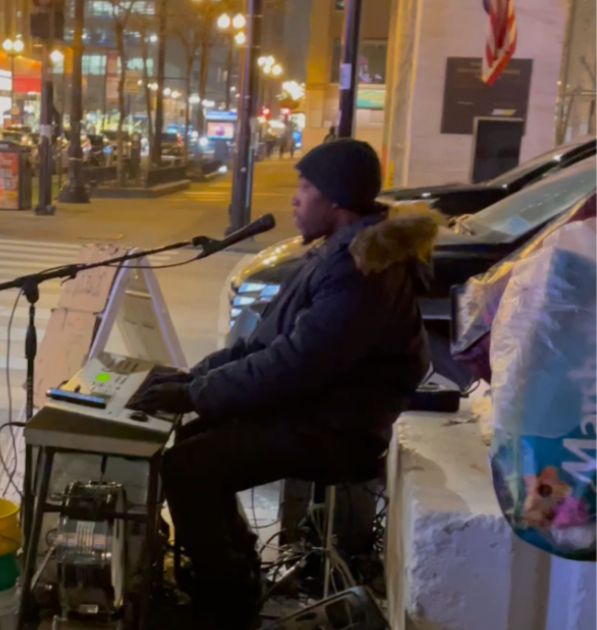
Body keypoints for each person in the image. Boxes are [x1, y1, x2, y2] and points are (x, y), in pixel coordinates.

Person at [129, 139, 437, 628]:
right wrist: (196, 379)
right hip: (316, 409)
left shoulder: (361, 271)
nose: (295, 198)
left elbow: (294, 363)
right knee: (191, 442)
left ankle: (225, 605)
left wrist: (194, 393)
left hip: (339, 429)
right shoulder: (339, 252)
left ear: (336, 199)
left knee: (189, 467)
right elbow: (266, 343)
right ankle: (236, 572)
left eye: (306, 186)